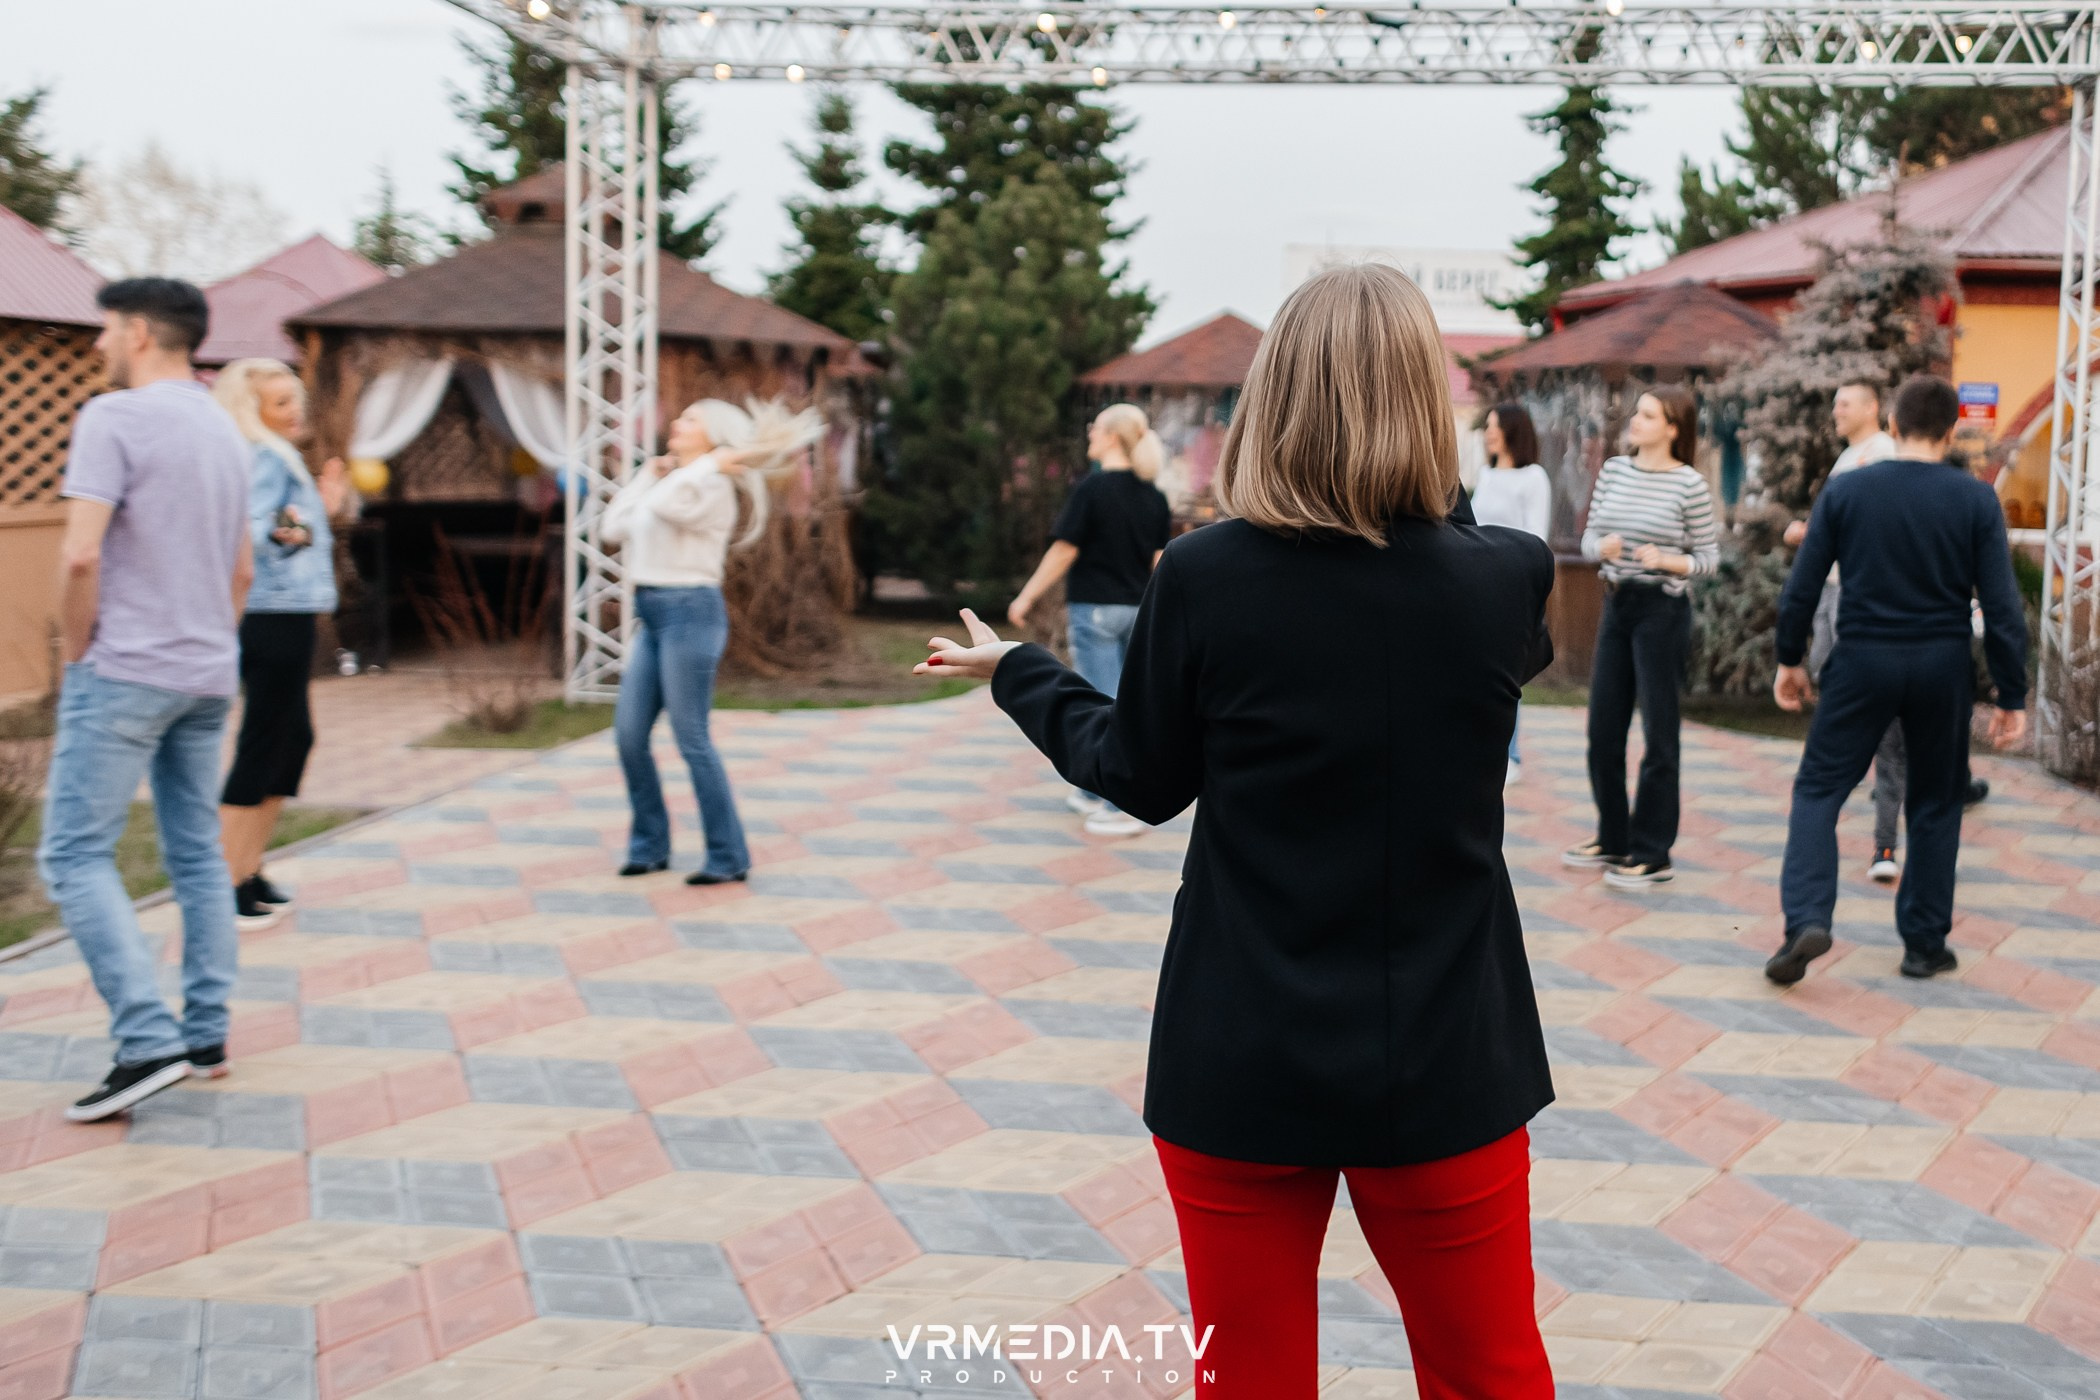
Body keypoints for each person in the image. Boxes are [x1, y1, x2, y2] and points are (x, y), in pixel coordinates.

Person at [916, 263, 1557, 1400]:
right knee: (1490, 1374)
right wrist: (1424, 489)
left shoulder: (1207, 577)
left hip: (1240, 1044)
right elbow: (1455, 567)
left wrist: (1021, 672)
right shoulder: (1504, 580)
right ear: (1427, 403)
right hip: (1446, 1048)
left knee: (1250, 1380)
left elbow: (1138, 777)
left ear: (1273, 399)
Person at [37, 279, 253, 1121]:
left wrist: (76, 648)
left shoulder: (113, 418)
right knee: (197, 853)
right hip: (207, 668)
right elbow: (242, 569)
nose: (97, 346)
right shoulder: (225, 428)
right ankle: (205, 1035)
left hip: (126, 667)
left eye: (104, 331)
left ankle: (146, 1041)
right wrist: (211, 642)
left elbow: (80, 554)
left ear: (136, 332)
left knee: (73, 854)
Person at [1766, 374, 2027, 985]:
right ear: (1952, 431)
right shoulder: (1975, 499)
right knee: (1935, 800)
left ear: (1891, 424)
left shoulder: (1847, 491)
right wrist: (2010, 693)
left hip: (1862, 659)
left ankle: (1806, 919)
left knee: (1818, 790)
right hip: (1941, 665)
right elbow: (2002, 605)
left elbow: (1803, 586)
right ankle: (1924, 945)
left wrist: (1789, 659)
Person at [602, 398, 818, 885]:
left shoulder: (712, 487)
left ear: (714, 437)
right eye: (681, 417)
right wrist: (647, 473)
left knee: (692, 739)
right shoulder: (678, 482)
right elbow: (612, 527)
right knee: (629, 736)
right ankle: (649, 846)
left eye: (691, 419)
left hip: (690, 615)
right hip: (652, 616)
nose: (678, 423)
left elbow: (664, 506)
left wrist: (708, 466)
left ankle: (728, 855)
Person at [1565, 386, 1720, 890]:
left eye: (1648, 415)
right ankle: (1613, 837)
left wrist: (1669, 560)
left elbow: (1709, 558)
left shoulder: (1689, 484)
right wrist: (1600, 548)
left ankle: (1653, 853)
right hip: (1617, 604)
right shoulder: (1614, 471)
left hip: (1662, 612)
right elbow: (1589, 538)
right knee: (1602, 731)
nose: (1635, 419)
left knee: (1659, 735)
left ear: (1673, 428)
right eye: (1638, 411)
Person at [212, 359, 347, 932]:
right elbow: (252, 529)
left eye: (296, 400)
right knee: (266, 740)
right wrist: (311, 524)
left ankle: (248, 869)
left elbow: (279, 525)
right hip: (271, 612)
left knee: (292, 740)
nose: (296, 412)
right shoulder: (264, 456)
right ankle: (223, 882)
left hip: (286, 610)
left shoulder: (271, 453)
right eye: (282, 403)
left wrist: (321, 511)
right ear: (253, 411)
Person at [1008, 403, 1173, 838]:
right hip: (1138, 612)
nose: (1089, 434)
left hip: (1095, 611)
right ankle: (1091, 790)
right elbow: (1160, 563)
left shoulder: (1092, 489)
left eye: (1094, 428)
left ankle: (1123, 805)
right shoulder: (1153, 496)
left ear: (1112, 437)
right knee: (1125, 699)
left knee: (1103, 704)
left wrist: (1026, 597)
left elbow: (1065, 550)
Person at [1785, 378, 1904, 883]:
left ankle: (1885, 843)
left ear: (1873, 408)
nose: (1836, 410)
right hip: (1833, 594)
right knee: (1834, 692)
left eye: (1845, 403)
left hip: (1862, 603)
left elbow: (1874, 529)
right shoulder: (1848, 457)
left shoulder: (1883, 455)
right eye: (1834, 402)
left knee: (1885, 728)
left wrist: (1813, 534)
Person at [1474, 402, 1552, 786]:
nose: (1488, 432)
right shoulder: (1485, 474)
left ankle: (1511, 754)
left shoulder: (1533, 478)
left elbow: (1536, 537)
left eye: (1495, 426)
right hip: (1477, 586)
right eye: (1487, 425)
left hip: (1512, 587)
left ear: (1513, 431)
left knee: (1507, 675)